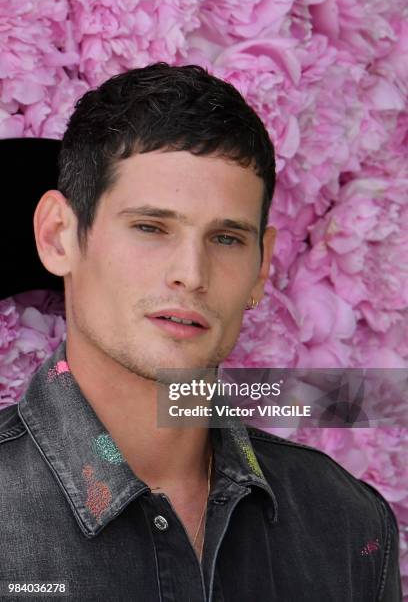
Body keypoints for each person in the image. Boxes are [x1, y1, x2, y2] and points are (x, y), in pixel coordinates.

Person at [0, 63, 402, 602]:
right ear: (58, 237)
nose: (191, 273)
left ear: (261, 269)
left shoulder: (348, 524)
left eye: (228, 238)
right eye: (150, 227)